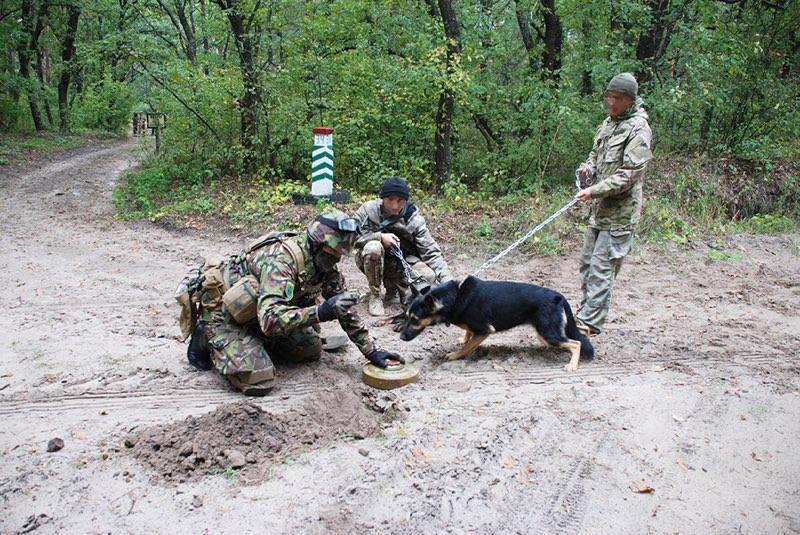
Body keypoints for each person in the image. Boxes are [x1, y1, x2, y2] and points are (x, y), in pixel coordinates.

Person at [176, 209, 404, 396]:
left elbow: (343, 307)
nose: (336, 258)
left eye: (339, 254)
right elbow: (270, 321)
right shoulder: (282, 262)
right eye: (333, 252)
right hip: (225, 315)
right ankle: (206, 335)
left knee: (310, 351)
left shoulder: (324, 264)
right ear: (317, 244)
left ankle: (256, 342)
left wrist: (372, 352)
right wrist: (321, 312)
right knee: (258, 379)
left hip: (259, 313)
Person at [574, 72, 653, 336]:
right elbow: (594, 157)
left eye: (617, 98)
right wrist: (586, 171)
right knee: (587, 266)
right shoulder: (608, 124)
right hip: (599, 213)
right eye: (609, 97)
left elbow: (630, 174)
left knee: (601, 270)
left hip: (620, 215)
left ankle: (587, 325)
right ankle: (583, 316)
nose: (611, 103)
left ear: (630, 100)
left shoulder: (639, 129)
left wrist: (594, 191)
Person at [353, 177, 452, 316]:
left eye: (400, 201)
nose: (394, 206)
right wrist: (379, 237)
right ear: (382, 198)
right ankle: (375, 297)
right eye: (390, 200)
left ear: (405, 201)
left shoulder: (413, 218)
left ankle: (396, 290)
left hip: (401, 262)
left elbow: (431, 252)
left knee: (428, 276)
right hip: (370, 258)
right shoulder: (368, 210)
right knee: (373, 247)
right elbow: (350, 237)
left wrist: (449, 283)